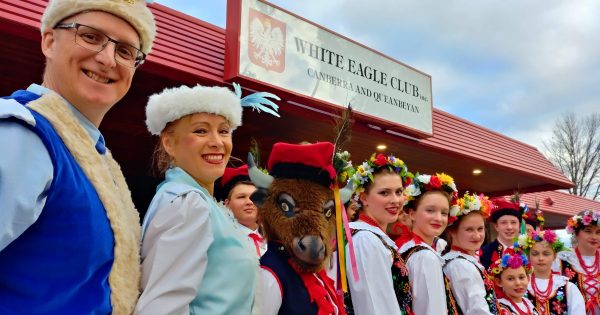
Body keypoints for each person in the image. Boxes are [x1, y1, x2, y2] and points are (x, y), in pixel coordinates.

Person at [0, 0, 156, 313]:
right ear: (49, 41)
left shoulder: (93, 153)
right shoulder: (22, 132)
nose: (108, 58)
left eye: (125, 51)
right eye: (90, 36)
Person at [136, 84, 279, 314]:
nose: (217, 142)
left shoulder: (199, 202)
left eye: (223, 131)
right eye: (201, 131)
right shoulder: (188, 203)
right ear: (169, 143)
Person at [345, 153, 413, 315]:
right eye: (384, 193)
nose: (395, 200)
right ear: (364, 198)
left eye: (398, 192)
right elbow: (375, 307)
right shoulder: (366, 240)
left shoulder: (370, 237)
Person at [400, 172, 459, 315]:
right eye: (430, 210)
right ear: (412, 214)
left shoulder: (410, 248)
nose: (438, 218)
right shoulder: (425, 257)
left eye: (444, 213)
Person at [443, 192, 500, 314]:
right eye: (469, 229)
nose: (477, 235)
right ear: (452, 232)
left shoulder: (461, 260)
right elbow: (477, 310)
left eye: (480, 229)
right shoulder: (461, 265)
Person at [517, 230, 585, 315]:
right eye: (535, 254)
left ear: (554, 256)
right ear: (528, 256)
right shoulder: (520, 285)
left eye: (546, 254)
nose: (541, 258)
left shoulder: (568, 287)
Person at [553, 210, 600, 315]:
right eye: (588, 231)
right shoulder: (562, 259)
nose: (594, 237)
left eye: (598, 232)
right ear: (576, 232)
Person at [216, 164, 266, 257]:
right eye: (241, 197)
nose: (249, 202)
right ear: (227, 204)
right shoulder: (219, 240)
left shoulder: (273, 239)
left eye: (254, 197)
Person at [490, 249, 539, 315]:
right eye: (510, 279)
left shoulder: (528, 303)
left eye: (521, 277)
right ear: (499, 282)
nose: (518, 283)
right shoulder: (500, 307)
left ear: (528, 278)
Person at [480, 198, 523, 270]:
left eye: (513, 222)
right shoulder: (484, 252)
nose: (509, 227)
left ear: (519, 226)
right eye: (503, 222)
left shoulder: (526, 251)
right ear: (496, 226)